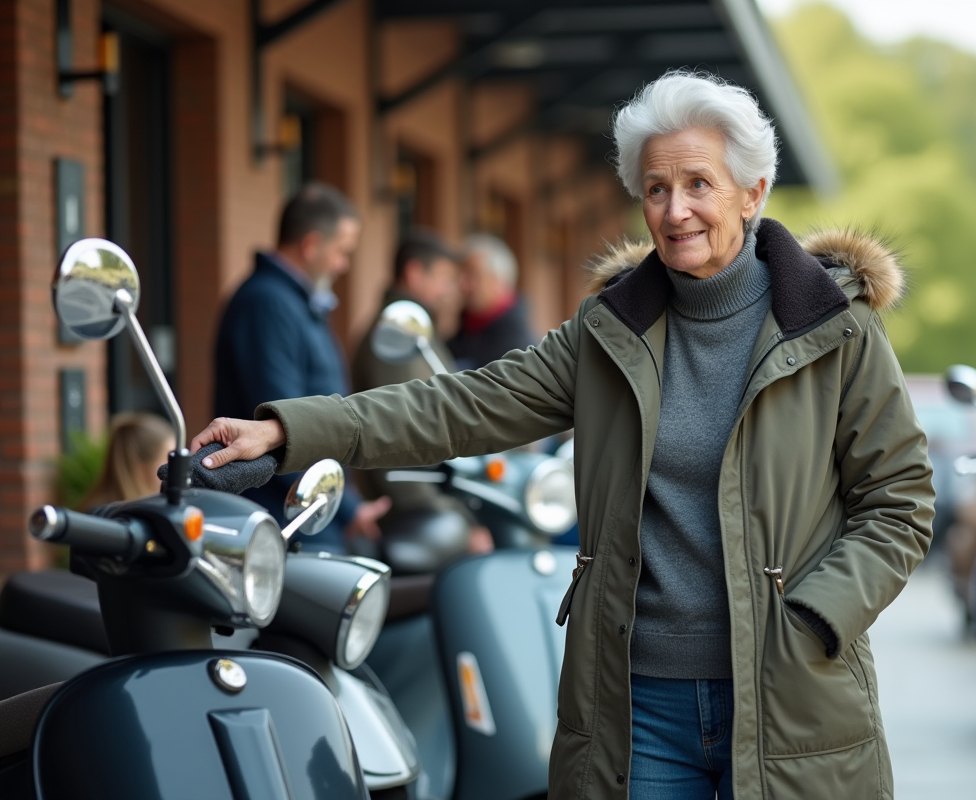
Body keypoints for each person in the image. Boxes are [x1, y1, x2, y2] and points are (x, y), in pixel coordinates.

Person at [193, 70, 934, 800]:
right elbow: (461, 405)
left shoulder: (835, 330)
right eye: (655, 188)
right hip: (639, 708)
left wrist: (816, 614)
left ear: (753, 192)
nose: (676, 211)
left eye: (699, 184)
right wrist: (287, 431)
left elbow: (899, 501)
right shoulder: (612, 332)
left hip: (790, 690)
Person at [212, 181, 389, 552]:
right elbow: (284, 419)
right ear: (311, 245)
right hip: (284, 520)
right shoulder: (268, 305)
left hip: (306, 511)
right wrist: (347, 509)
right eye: (341, 252)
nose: (343, 265)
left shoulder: (292, 302)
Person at [351, 228, 493, 558]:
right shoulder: (394, 338)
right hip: (415, 521)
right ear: (415, 273)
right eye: (443, 279)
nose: (449, 291)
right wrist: (461, 523)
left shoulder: (415, 331)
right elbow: (401, 445)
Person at [446, 233, 537, 369]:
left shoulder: (520, 351)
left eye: (473, 275)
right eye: (461, 275)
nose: (463, 284)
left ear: (499, 281)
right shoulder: (459, 336)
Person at [81, 413, 174, 508]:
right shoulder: (137, 513)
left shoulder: (96, 508)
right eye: (169, 458)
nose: (175, 466)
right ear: (141, 466)